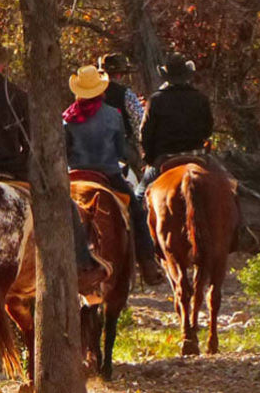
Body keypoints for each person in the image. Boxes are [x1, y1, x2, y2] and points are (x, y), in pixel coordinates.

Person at [0, 31, 107, 292]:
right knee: (69, 207)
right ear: (2, 62)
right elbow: (30, 143)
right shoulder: (16, 95)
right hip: (10, 175)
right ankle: (83, 268)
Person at [63, 65, 165, 285]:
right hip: (108, 174)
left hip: (74, 176)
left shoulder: (68, 117)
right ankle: (148, 264)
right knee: (137, 212)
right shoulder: (113, 115)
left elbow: (64, 150)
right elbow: (119, 150)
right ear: (101, 91)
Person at [135, 53, 214, 200]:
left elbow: (145, 134)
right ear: (187, 75)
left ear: (166, 76)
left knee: (138, 195)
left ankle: (138, 222)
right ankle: (240, 222)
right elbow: (208, 129)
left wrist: (150, 159)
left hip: (165, 158)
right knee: (231, 186)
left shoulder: (156, 100)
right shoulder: (200, 98)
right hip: (197, 154)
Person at [96, 53, 145, 171]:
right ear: (119, 75)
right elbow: (139, 123)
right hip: (120, 146)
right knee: (144, 177)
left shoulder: (89, 93)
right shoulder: (126, 94)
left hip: (90, 148)